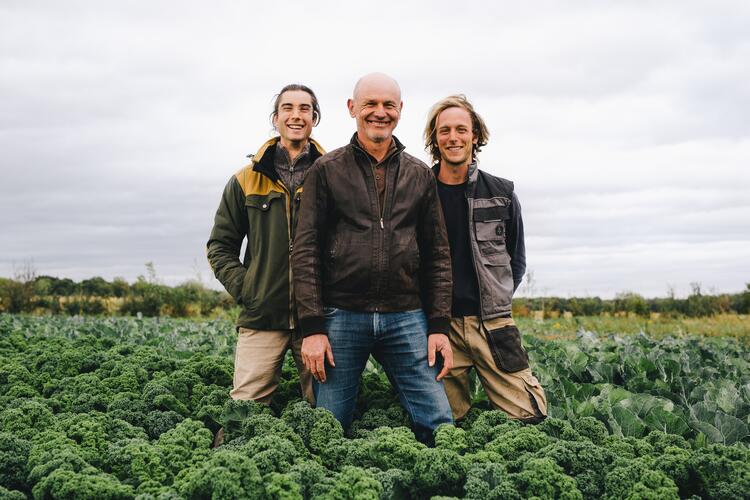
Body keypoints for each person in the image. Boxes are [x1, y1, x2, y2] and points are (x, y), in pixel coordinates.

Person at [292, 73, 454, 443]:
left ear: (400, 111)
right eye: (370, 104)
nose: (380, 113)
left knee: (440, 422)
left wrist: (439, 326)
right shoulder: (327, 170)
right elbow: (305, 251)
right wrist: (313, 327)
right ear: (352, 109)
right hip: (342, 315)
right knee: (329, 427)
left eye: (388, 105)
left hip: (406, 317)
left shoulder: (418, 175)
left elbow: (438, 255)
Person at [424, 94, 547, 423]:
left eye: (461, 129)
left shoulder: (500, 193)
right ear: (435, 139)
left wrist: (496, 300)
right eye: (445, 130)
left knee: (530, 415)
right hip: (440, 326)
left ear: (474, 135)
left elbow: (516, 261)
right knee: (443, 423)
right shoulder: (420, 192)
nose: (453, 137)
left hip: (492, 323)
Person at [207, 84, 325, 410]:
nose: (296, 115)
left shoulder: (333, 176)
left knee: (329, 415)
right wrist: (249, 288)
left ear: (314, 118)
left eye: (304, 109)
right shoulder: (246, 179)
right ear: (276, 119)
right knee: (243, 411)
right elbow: (220, 245)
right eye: (288, 108)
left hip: (318, 320)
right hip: (262, 316)